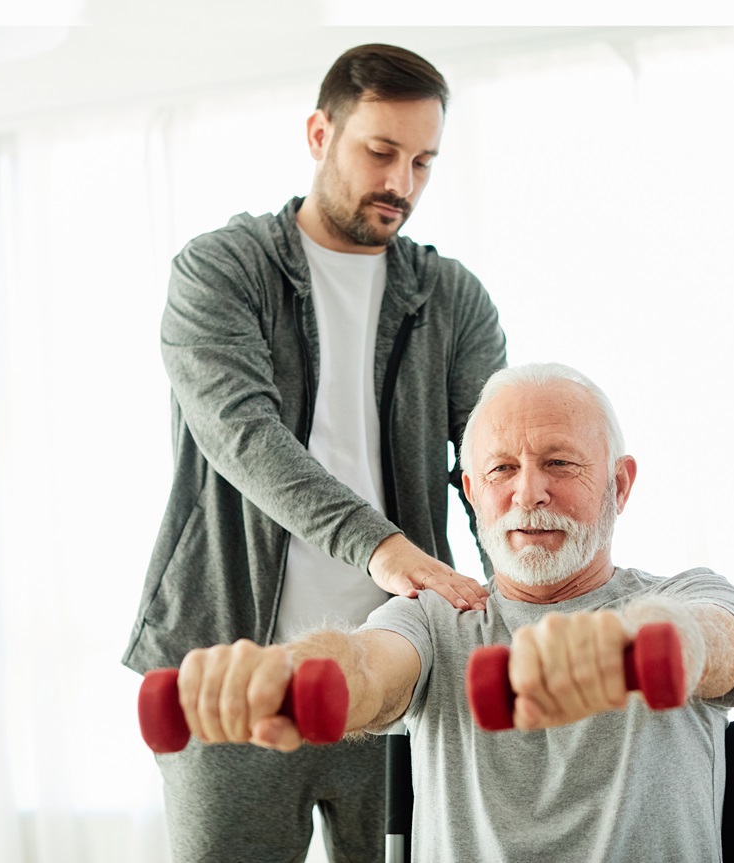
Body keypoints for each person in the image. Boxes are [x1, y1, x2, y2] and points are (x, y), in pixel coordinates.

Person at [122, 44, 507, 863]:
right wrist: (381, 544)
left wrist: (520, 604)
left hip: (402, 664)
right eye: (380, 152)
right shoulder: (220, 271)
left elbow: (493, 466)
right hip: (233, 667)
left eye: (423, 162)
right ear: (318, 133)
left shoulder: (454, 299)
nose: (401, 184)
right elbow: (243, 435)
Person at [175, 362, 734, 863]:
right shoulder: (433, 620)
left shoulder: (690, 595)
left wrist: (639, 649)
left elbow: (715, 644)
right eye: (502, 469)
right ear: (472, 492)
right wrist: (296, 674)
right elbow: (367, 668)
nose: (529, 493)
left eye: (559, 463)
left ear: (620, 485)